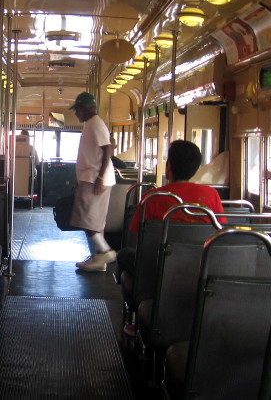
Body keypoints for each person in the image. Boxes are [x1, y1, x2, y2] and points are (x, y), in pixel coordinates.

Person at [116, 140, 225, 335]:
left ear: (169, 166)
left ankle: (137, 315)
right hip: (201, 265)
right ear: (196, 168)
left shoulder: (153, 197)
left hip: (158, 265)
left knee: (125, 255)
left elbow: (136, 238)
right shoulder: (211, 195)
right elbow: (220, 231)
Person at [69, 92, 117, 272]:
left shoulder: (95, 123)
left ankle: (105, 251)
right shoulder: (91, 124)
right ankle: (100, 261)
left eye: (77, 110)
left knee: (85, 219)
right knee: (94, 222)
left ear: (84, 108)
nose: (76, 114)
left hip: (94, 178)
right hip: (89, 177)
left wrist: (100, 177)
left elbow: (107, 149)